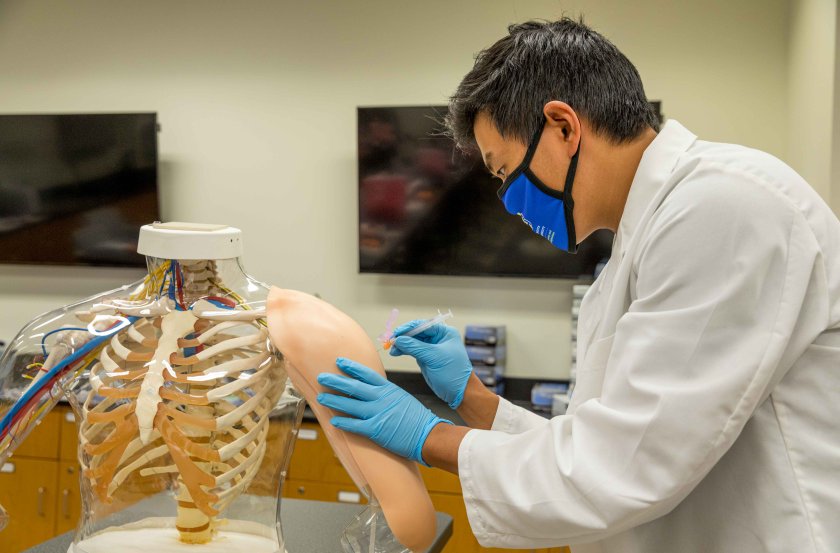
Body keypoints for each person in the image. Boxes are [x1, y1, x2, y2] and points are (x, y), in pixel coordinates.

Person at [317, 18, 840, 553]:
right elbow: (594, 446)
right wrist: (474, 400)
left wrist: (429, 436)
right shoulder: (638, 246)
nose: (508, 202)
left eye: (504, 173)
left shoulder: (722, 206)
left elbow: (625, 465)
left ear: (564, 127)